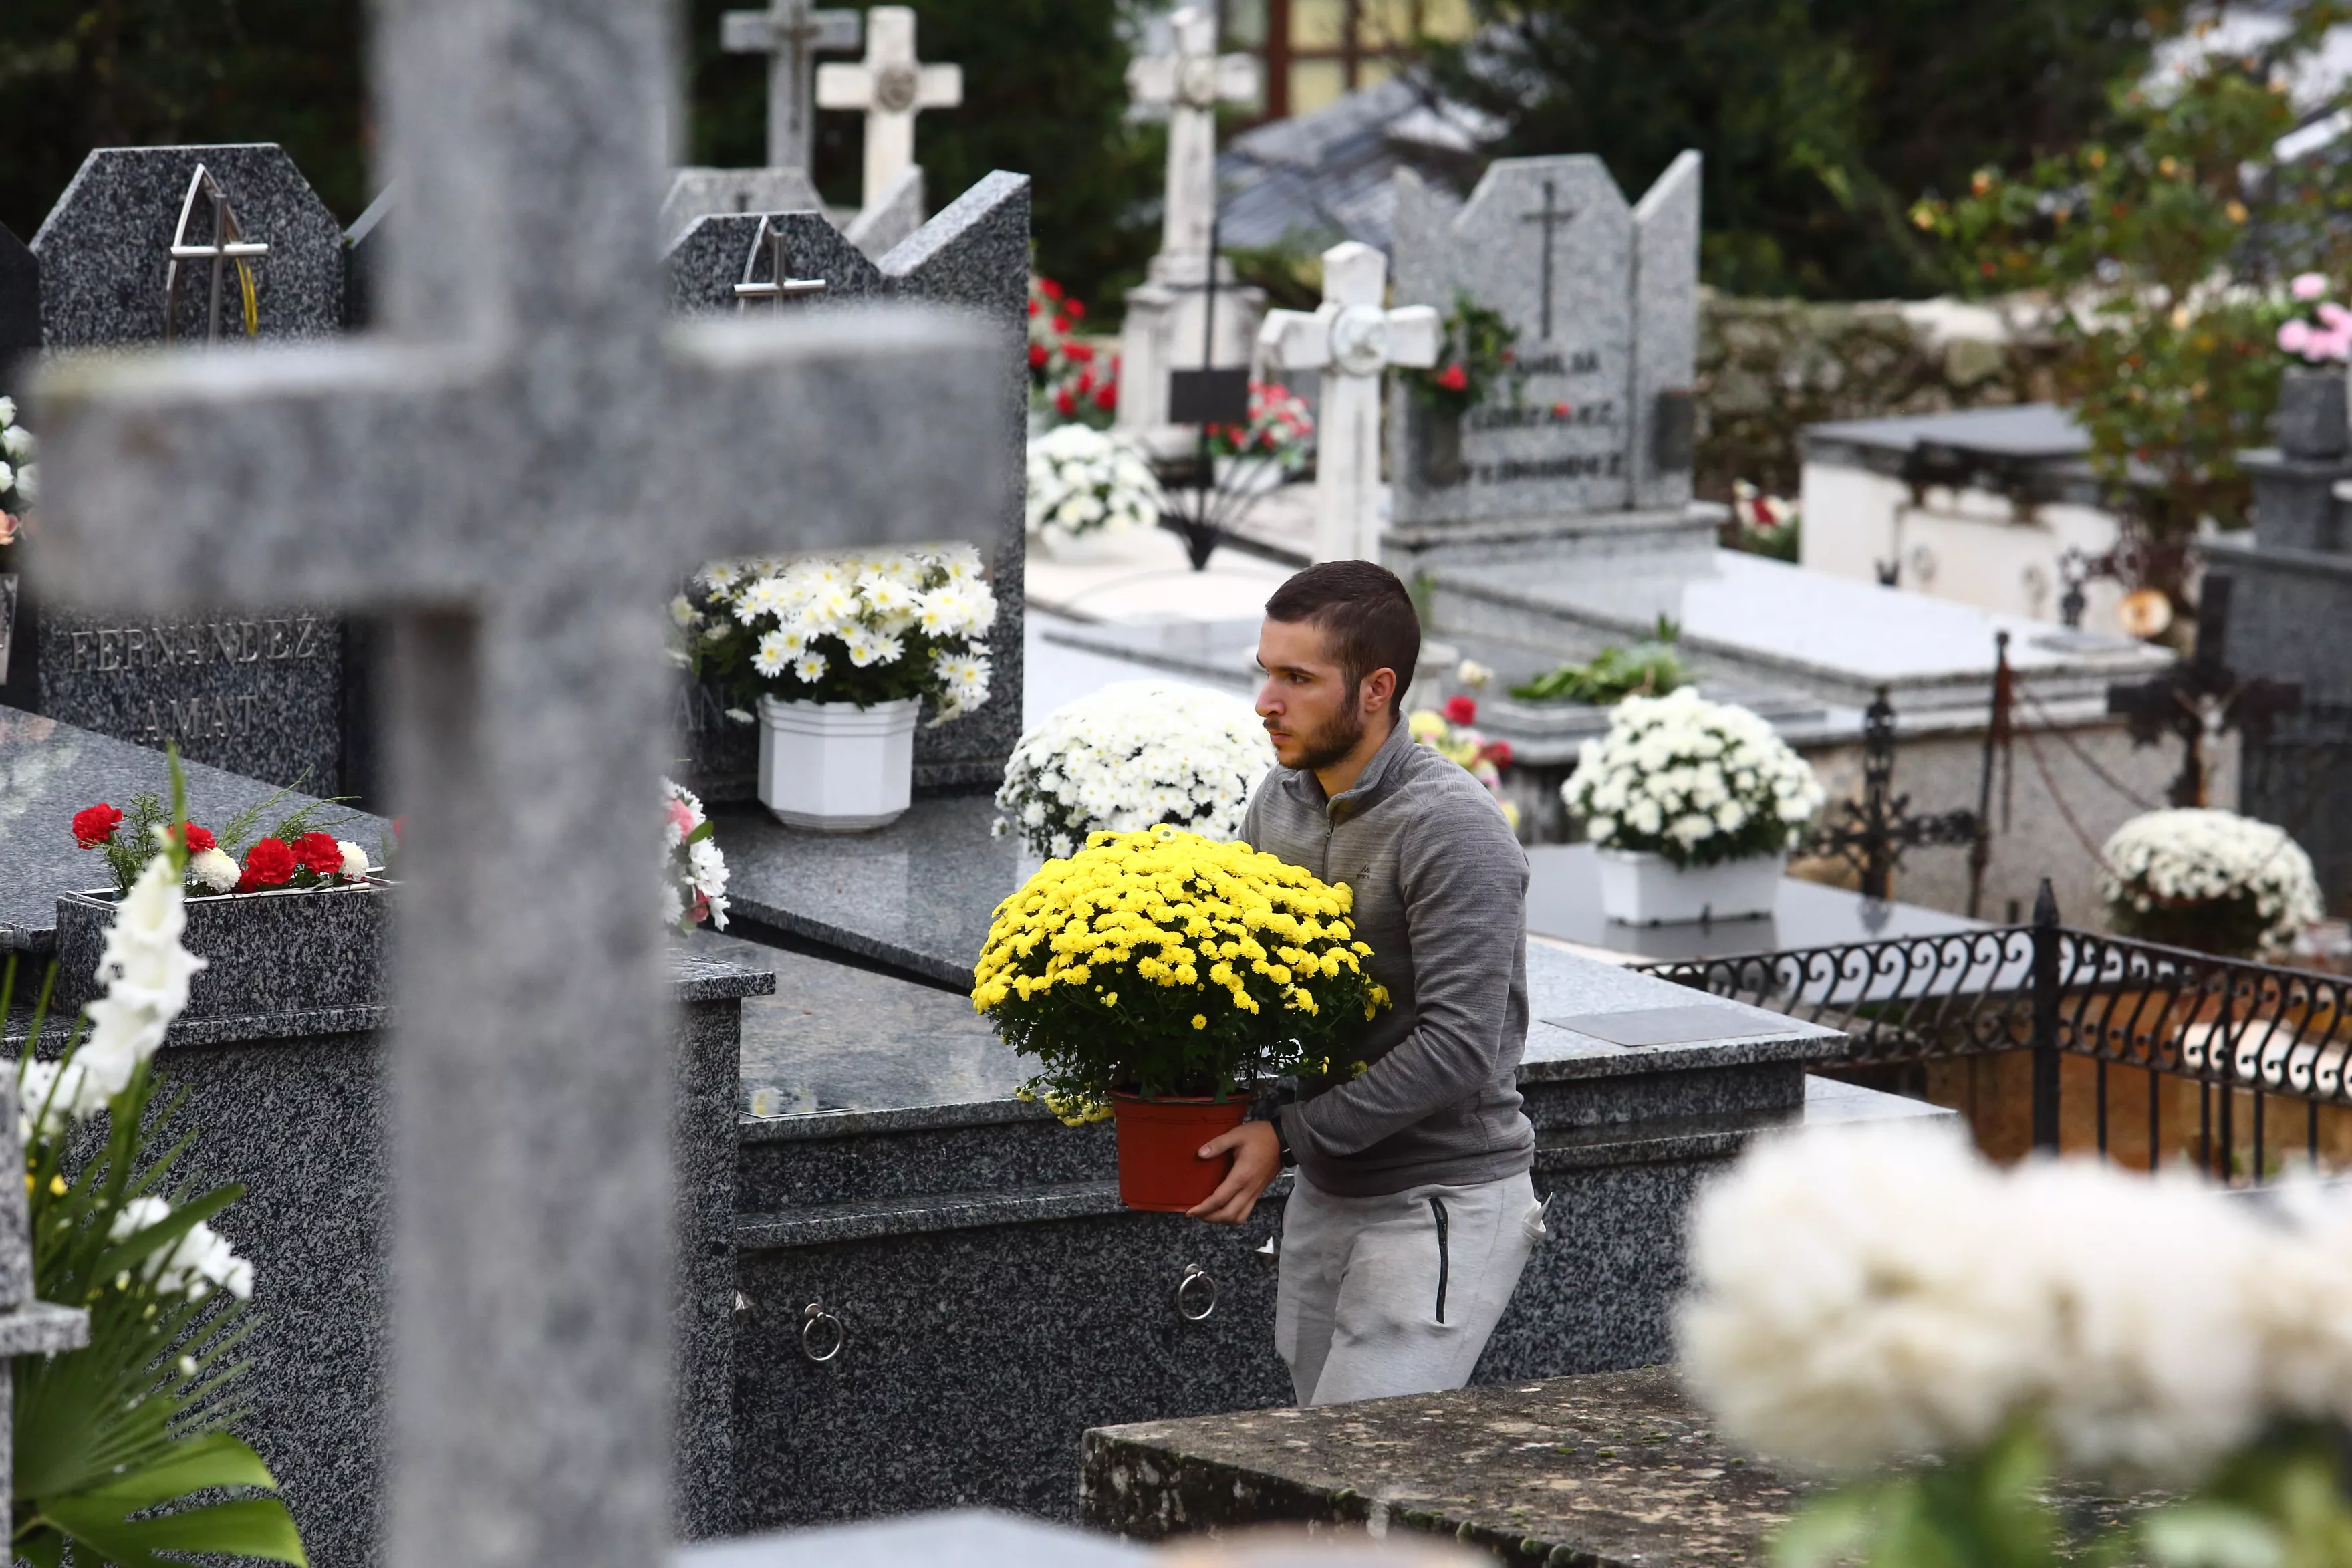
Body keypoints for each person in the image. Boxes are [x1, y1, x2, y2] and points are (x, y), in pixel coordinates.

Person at [1187, 559, 1543, 1408]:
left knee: (1352, 1480)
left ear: (1377, 688)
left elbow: (1458, 1049)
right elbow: (1262, 987)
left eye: (1298, 678)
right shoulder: (1279, 801)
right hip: (1324, 1188)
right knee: (1316, 1477)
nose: (1266, 702)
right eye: (1265, 672)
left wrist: (1289, 1134)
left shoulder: (1452, 829)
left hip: (1441, 1201)